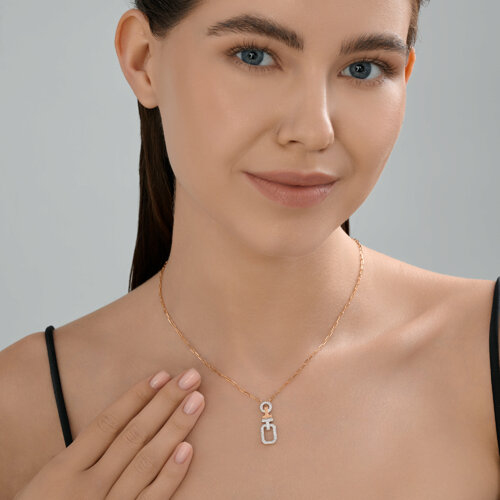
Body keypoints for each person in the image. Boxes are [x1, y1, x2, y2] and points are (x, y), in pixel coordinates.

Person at [1, 0, 499, 498]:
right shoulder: (23, 405)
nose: (314, 131)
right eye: (254, 56)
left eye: (363, 68)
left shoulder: (483, 354)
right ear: (143, 60)